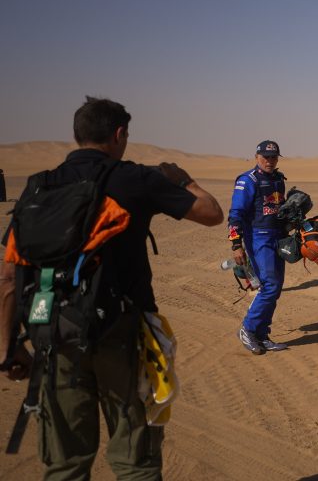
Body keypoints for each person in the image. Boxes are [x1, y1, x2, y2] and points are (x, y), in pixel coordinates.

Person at [2, 96, 223, 479]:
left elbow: (8, 277)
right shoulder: (135, 178)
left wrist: (8, 347)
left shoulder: (39, 186)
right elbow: (212, 213)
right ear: (119, 134)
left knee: (65, 465)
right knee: (135, 462)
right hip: (120, 336)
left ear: (77, 134)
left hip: (53, 338)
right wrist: (183, 179)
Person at [228, 140, 291, 355]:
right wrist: (236, 244)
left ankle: (262, 335)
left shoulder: (278, 180)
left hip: (278, 237)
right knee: (270, 286)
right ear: (257, 157)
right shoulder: (248, 180)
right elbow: (235, 214)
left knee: (275, 288)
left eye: (273, 157)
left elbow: (278, 210)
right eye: (265, 157)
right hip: (258, 238)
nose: (269, 161)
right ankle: (247, 329)